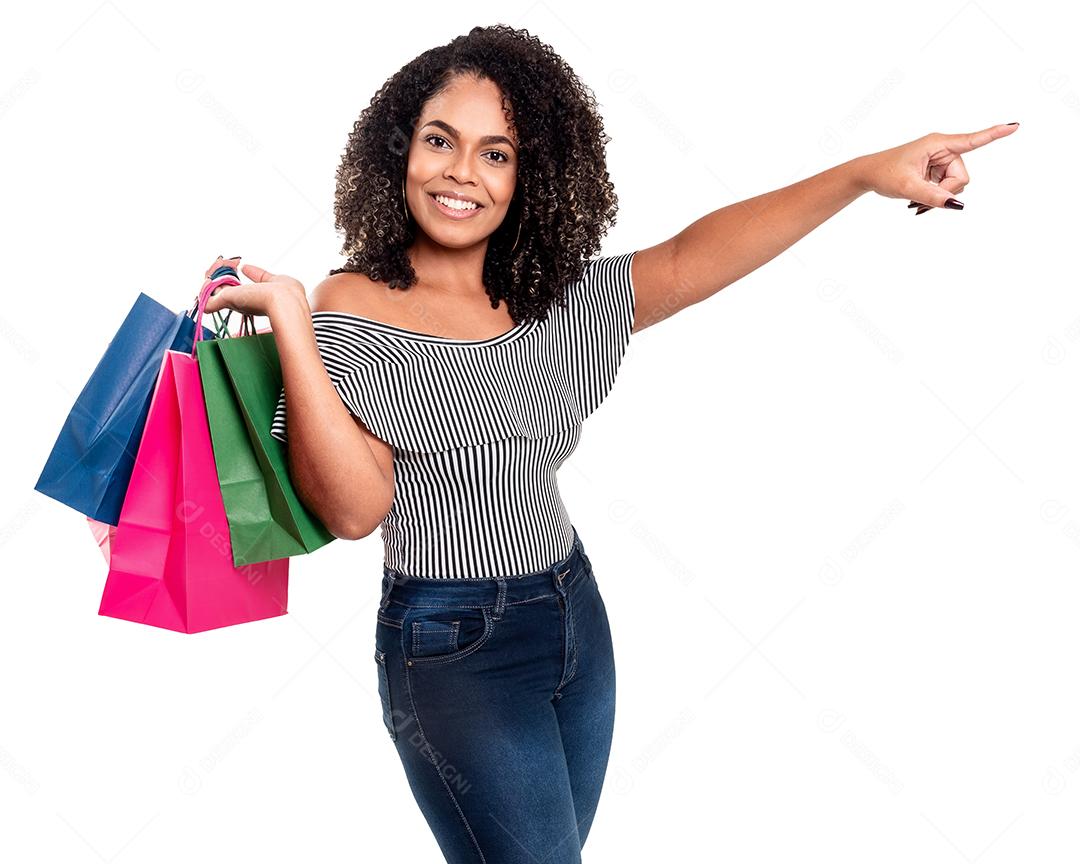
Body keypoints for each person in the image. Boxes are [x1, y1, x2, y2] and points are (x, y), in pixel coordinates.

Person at [202, 23, 1018, 864]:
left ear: (531, 174)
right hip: (451, 648)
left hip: (572, 614)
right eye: (440, 141)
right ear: (398, 148)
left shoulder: (555, 299)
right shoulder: (353, 309)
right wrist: (296, 326)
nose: (459, 173)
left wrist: (861, 174)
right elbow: (354, 510)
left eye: (496, 154)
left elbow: (695, 255)